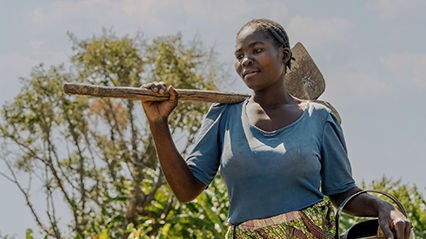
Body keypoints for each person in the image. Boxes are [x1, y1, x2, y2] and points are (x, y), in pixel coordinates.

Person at [141, 18, 412, 238]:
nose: (245, 60)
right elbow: (186, 190)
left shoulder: (318, 118)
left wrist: (382, 206)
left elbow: (342, 193)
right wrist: (158, 123)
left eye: (256, 50)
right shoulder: (224, 116)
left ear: (284, 55)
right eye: (239, 55)